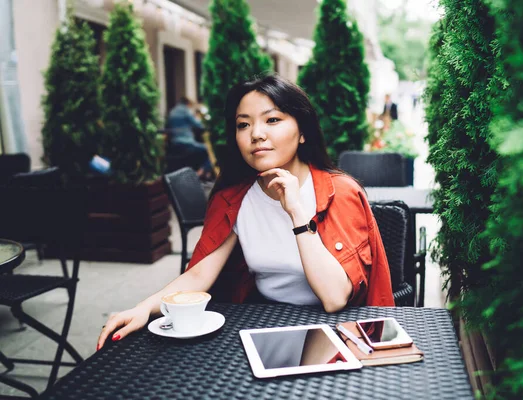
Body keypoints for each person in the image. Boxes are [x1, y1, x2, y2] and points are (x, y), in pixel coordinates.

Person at [97, 74, 394, 350]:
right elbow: (200, 274)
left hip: (336, 332)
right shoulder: (234, 197)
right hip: (263, 327)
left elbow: (334, 298)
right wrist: (143, 308)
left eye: (272, 120)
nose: (256, 134)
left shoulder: (339, 191)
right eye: (243, 124)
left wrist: (296, 211)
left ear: (302, 132)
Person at [166, 97, 213, 180]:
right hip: (186, 143)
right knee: (209, 150)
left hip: (174, 144)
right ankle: (200, 173)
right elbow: (199, 126)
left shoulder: (172, 111)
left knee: (200, 150)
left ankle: (204, 173)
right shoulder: (185, 111)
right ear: (188, 104)